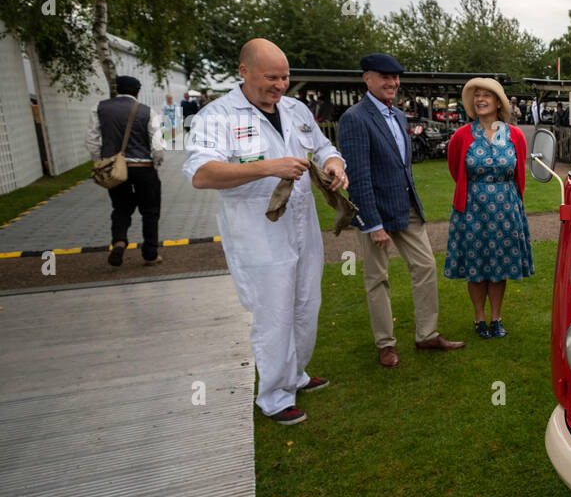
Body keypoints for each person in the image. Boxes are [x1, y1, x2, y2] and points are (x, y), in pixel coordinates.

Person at [183, 38, 348, 426]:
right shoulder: (217, 116)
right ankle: (274, 396)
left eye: (285, 77)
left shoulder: (295, 109)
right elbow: (202, 174)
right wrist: (266, 167)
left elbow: (323, 146)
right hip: (258, 234)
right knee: (274, 313)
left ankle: (296, 375)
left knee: (306, 304)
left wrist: (336, 164)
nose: (280, 85)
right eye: (271, 77)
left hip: (303, 226)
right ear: (243, 72)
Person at [338, 53, 464, 368]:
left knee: (425, 267)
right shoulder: (355, 118)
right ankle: (385, 345)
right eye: (385, 77)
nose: (392, 83)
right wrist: (373, 224)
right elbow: (359, 177)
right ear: (367, 78)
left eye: (396, 77)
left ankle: (427, 335)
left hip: (406, 208)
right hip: (374, 213)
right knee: (377, 278)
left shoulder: (398, 116)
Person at [445, 78, 534, 338]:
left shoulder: (514, 135)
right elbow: (455, 168)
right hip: (472, 208)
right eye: (477, 96)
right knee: (476, 266)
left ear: (498, 102)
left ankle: (496, 317)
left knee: (500, 266)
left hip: (506, 208)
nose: (480, 100)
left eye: (487, 95)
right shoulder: (462, 135)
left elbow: (520, 172)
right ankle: (479, 318)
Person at [84, 74, 167, 266]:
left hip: (115, 170)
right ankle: (150, 254)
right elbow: (157, 144)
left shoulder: (99, 108)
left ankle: (119, 240)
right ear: (137, 92)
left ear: (117, 89)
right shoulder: (147, 111)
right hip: (143, 167)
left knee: (120, 207)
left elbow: (91, 140)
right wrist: (155, 164)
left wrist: (102, 162)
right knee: (150, 211)